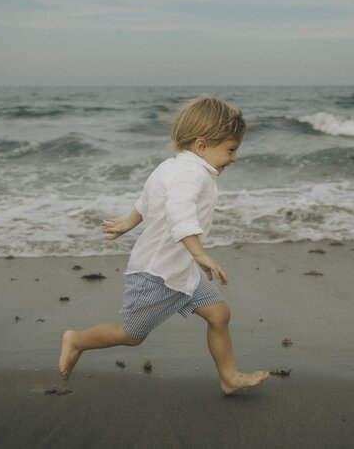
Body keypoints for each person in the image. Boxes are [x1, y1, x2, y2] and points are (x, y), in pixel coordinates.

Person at [58, 95, 269, 395]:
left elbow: (148, 198)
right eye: (231, 150)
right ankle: (76, 340)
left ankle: (229, 377)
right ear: (201, 146)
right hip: (156, 274)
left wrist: (128, 222)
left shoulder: (171, 167)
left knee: (219, 314)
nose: (234, 158)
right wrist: (199, 254)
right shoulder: (190, 174)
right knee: (131, 336)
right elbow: (179, 212)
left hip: (180, 271)